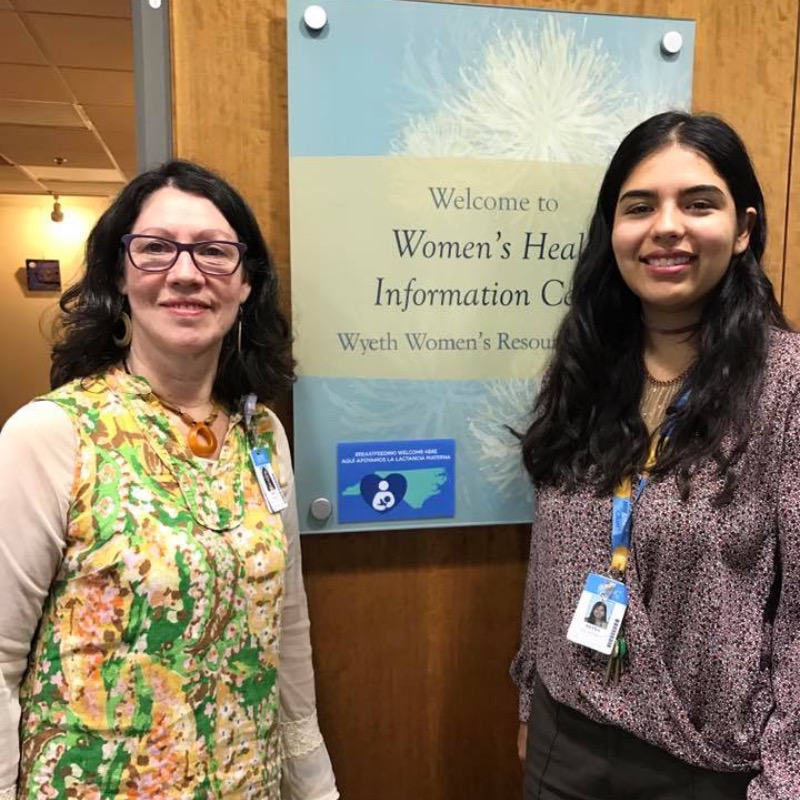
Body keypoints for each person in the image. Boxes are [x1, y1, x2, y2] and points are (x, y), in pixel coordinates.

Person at [0, 160, 339, 800]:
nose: (186, 274)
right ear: (119, 276)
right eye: (155, 249)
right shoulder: (50, 435)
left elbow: (287, 629)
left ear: (245, 285)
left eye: (214, 252)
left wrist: (316, 787)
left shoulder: (261, 434)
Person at [511, 111, 799, 799]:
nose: (666, 226)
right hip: (564, 737)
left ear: (744, 231)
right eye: (639, 207)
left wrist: (786, 781)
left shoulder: (787, 387)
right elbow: (549, 557)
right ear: (613, 231)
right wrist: (531, 699)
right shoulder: (586, 368)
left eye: (698, 204)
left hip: (707, 765)